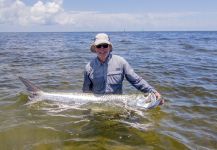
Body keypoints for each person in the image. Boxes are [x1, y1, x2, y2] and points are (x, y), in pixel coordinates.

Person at [82, 33, 163, 103]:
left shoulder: (121, 62)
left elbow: (136, 80)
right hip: (97, 104)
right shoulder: (89, 67)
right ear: (95, 48)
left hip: (118, 104)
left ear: (109, 47)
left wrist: (153, 93)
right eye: (99, 46)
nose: (102, 49)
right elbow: (86, 92)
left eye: (105, 45)